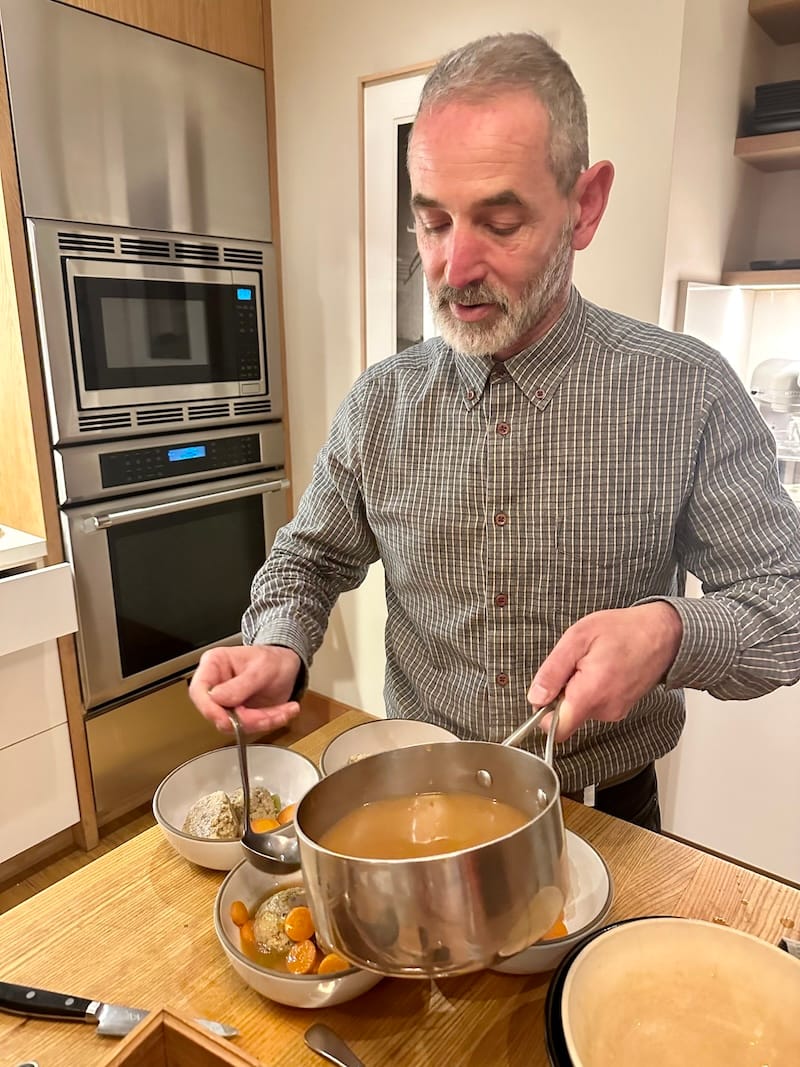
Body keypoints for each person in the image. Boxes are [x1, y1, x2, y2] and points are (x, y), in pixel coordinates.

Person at [189, 32, 800, 831]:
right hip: (417, 810)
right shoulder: (381, 403)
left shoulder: (689, 390)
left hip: (604, 819)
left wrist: (670, 631)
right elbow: (310, 558)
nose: (454, 264)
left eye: (500, 222)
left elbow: (784, 604)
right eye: (433, 222)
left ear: (585, 205)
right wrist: (279, 645)